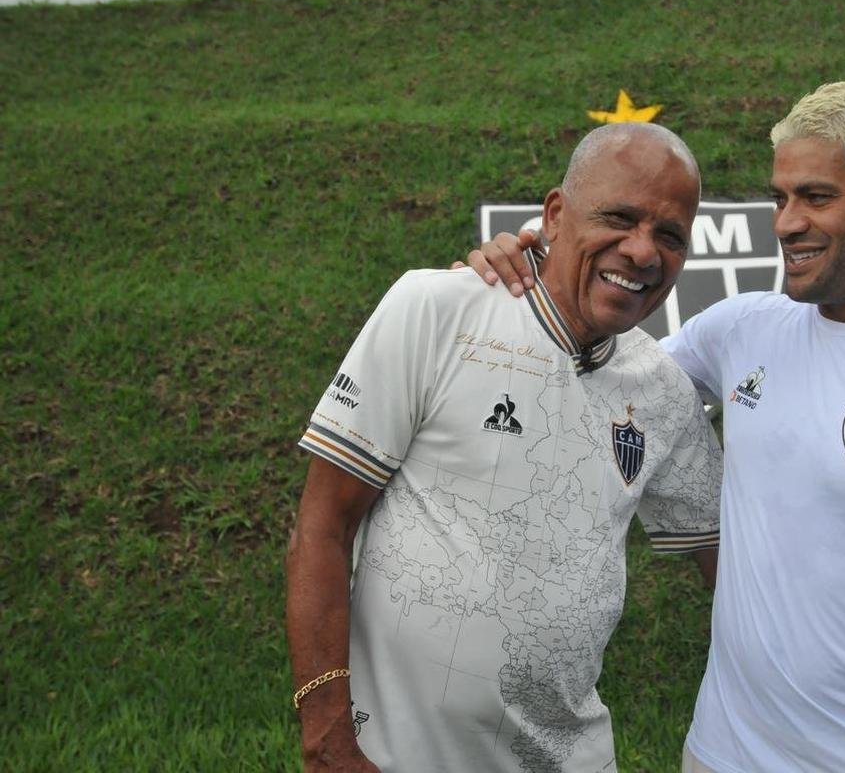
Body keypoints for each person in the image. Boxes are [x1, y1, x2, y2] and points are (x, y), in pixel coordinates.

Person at [466, 80, 845, 772]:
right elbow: (583, 376)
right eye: (780, 197)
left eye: (816, 197)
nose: (786, 222)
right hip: (721, 755)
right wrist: (525, 273)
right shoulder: (742, 330)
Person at [286, 122, 723, 773]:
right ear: (553, 215)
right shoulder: (437, 309)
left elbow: (731, 565)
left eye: (670, 236)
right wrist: (326, 738)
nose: (642, 251)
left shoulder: (662, 390)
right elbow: (321, 524)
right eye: (619, 218)